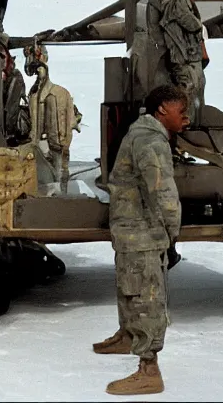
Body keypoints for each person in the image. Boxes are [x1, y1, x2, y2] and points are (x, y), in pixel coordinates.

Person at [92, 85, 189, 395]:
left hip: (134, 230)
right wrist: (172, 231)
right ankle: (145, 363)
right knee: (143, 295)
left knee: (136, 289)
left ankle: (146, 362)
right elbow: (163, 192)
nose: (185, 117)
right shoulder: (150, 140)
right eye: (180, 111)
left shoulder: (142, 132)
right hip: (141, 232)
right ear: (162, 110)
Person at [135, 0, 209, 123]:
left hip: (188, 53)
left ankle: (192, 122)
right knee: (186, 85)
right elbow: (185, 18)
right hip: (173, 53)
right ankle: (182, 122)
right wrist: (197, 25)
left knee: (198, 84)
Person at [24, 44, 81, 194]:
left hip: (55, 145)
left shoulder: (59, 93)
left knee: (57, 177)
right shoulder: (34, 93)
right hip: (38, 145)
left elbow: (68, 121)